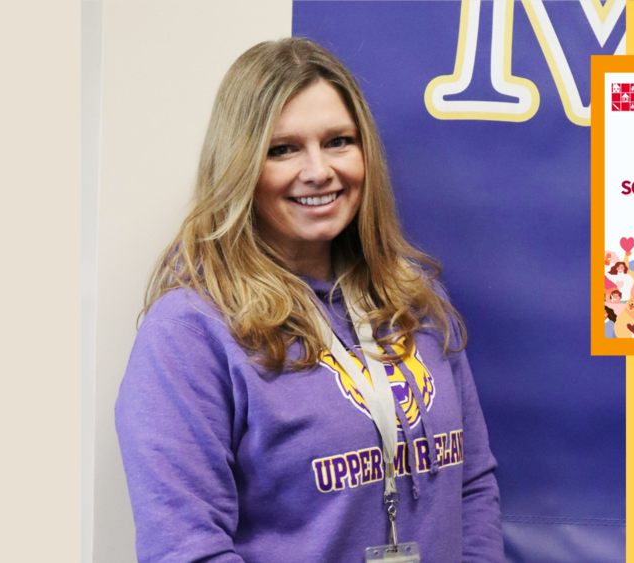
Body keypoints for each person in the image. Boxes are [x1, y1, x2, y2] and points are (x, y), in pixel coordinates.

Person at [114, 38, 502, 563]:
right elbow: (186, 549)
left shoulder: (415, 299)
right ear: (240, 166)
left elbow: (472, 487)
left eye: (338, 141)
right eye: (283, 149)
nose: (318, 170)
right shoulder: (190, 333)